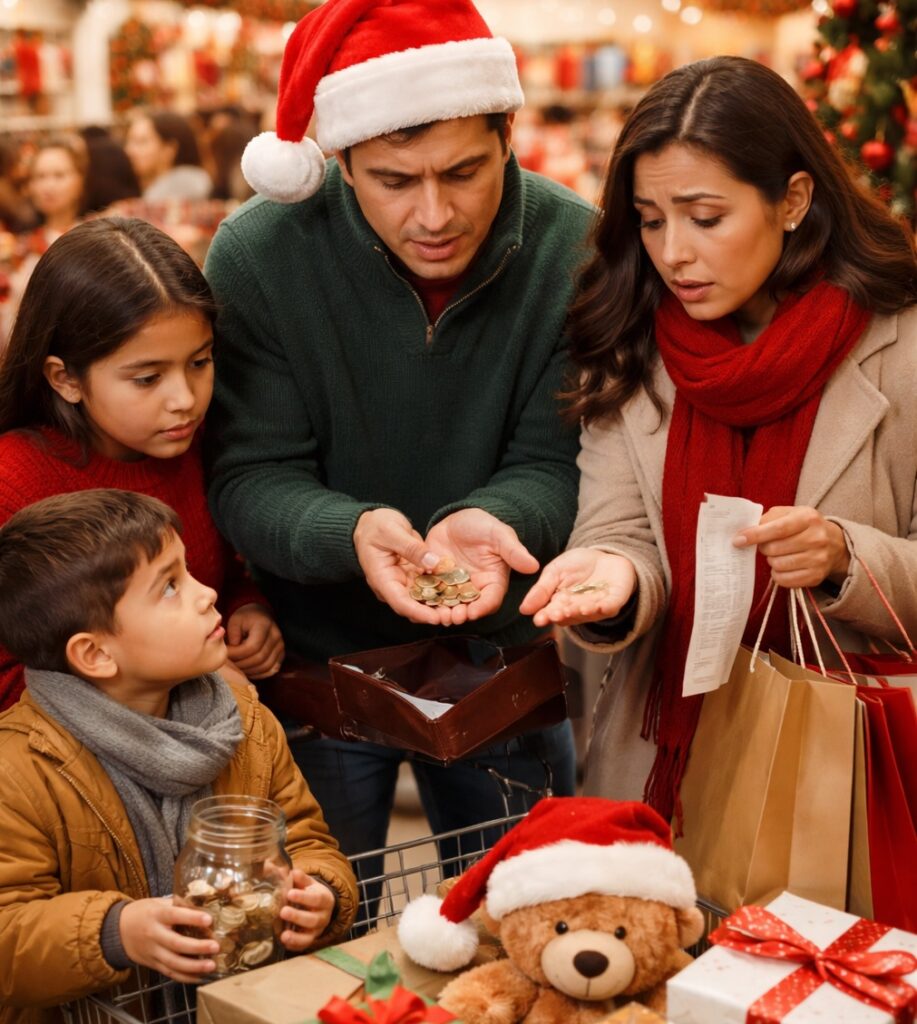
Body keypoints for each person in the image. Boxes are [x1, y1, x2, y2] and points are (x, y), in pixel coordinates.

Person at [205, 0, 593, 858]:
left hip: (501, 668)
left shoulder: (572, 248)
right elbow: (246, 474)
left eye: (463, 173)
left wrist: (500, 523)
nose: (434, 215)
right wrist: (351, 533)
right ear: (340, 161)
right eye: (394, 180)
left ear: (507, 137)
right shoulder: (258, 257)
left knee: (519, 918)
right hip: (314, 669)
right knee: (315, 946)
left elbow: (557, 460)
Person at [520, 55, 917, 822]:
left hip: (853, 772)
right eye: (649, 219)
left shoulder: (898, 347)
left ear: (793, 198)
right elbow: (619, 528)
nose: (672, 253)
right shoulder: (634, 340)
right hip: (668, 762)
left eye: (705, 219)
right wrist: (615, 578)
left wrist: (842, 559)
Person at [0, 489, 357, 1018]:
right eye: (169, 587)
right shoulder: (17, 768)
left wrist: (320, 892)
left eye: (187, 571)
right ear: (95, 653)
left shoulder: (245, 719)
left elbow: (304, 837)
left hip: (241, 1005)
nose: (207, 593)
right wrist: (114, 931)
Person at [0, 217, 284, 711]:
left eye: (200, 362)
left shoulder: (195, 445)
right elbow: (10, 679)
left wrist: (244, 607)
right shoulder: (13, 482)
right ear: (64, 378)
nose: (184, 400)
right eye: (148, 378)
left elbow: (216, 571)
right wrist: (188, 676)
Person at [0, 136, 87, 345]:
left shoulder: (94, 239)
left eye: (59, 175)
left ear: (80, 181)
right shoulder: (21, 247)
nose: (48, 186)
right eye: (40, 177)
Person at [125, 112, 212, 201]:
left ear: (169, 149)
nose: (129, 150)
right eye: (129, 141)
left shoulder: (181, 188)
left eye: (141, 142)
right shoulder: (152, 188)